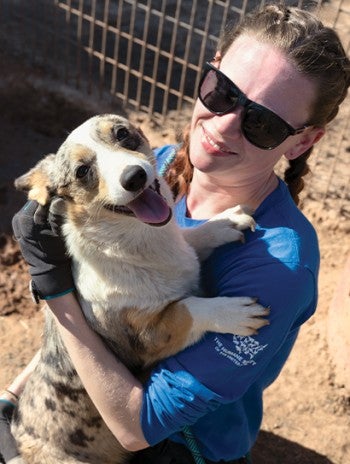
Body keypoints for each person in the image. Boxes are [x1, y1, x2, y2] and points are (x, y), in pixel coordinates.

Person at [1, 3, 350, 464]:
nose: (224, 127)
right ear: (211, 67)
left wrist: (55, 289)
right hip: (73, 408)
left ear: (303, 140)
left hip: (178, 445)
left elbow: (136, 427)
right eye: (223, 93)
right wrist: (12, 396)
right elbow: (95, 316)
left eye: (263, 123)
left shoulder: (278, 269)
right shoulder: (158, 168)